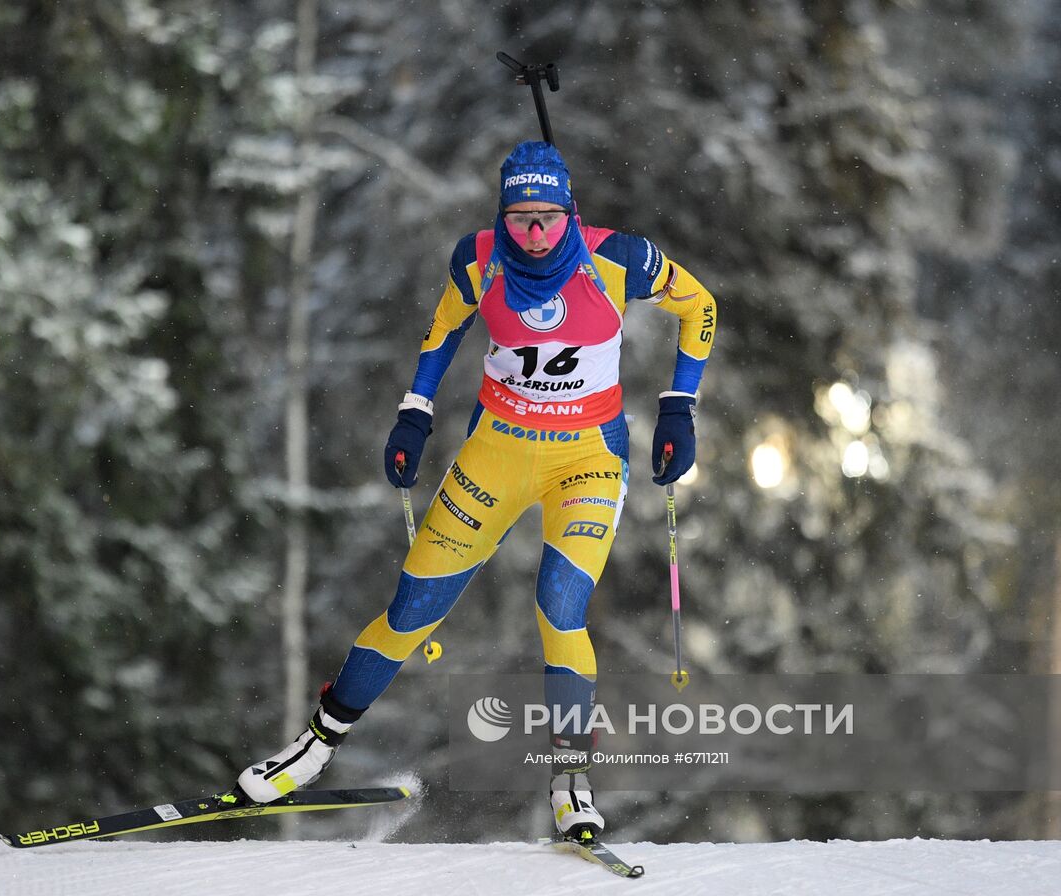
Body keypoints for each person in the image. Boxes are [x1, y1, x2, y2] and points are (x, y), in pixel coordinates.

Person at [237, 141, 717, 839]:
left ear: (568, 213)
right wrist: (414, 410)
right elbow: (443, 330)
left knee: (560, 606)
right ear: (503, 212)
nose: (534, 233)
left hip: (587, 458)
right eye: (520, 217)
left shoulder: (621, 258)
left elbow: (701, 305)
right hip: (497, 452)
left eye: (548, 218)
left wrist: (680, 404)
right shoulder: (478, 257)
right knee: (411, 609)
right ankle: (314, 746)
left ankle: (571, 781)